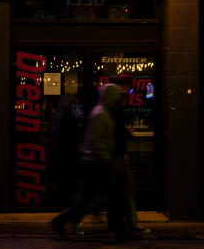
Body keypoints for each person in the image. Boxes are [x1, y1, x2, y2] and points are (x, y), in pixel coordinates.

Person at [52, 83, 141, 241]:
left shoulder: (101, 112)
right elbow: (97, 141)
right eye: (115, 95)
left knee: (97, 198)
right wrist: (109, 159)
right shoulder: (101, 114)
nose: (117, 99)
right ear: (110, 96)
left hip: (96, 161)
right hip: (98, 162)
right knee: (106, 197)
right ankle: (121, 230)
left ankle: (62, 221)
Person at [108, 75, 148, 235]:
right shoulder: (115, 106)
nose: (128, 91)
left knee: (117, 191)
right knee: (127, 189)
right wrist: (126, 134)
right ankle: (129, 223)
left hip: (113, 154)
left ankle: (121, 223)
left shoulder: (108, 106)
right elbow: (116, 131)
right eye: (127, 87)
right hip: (117, 155)